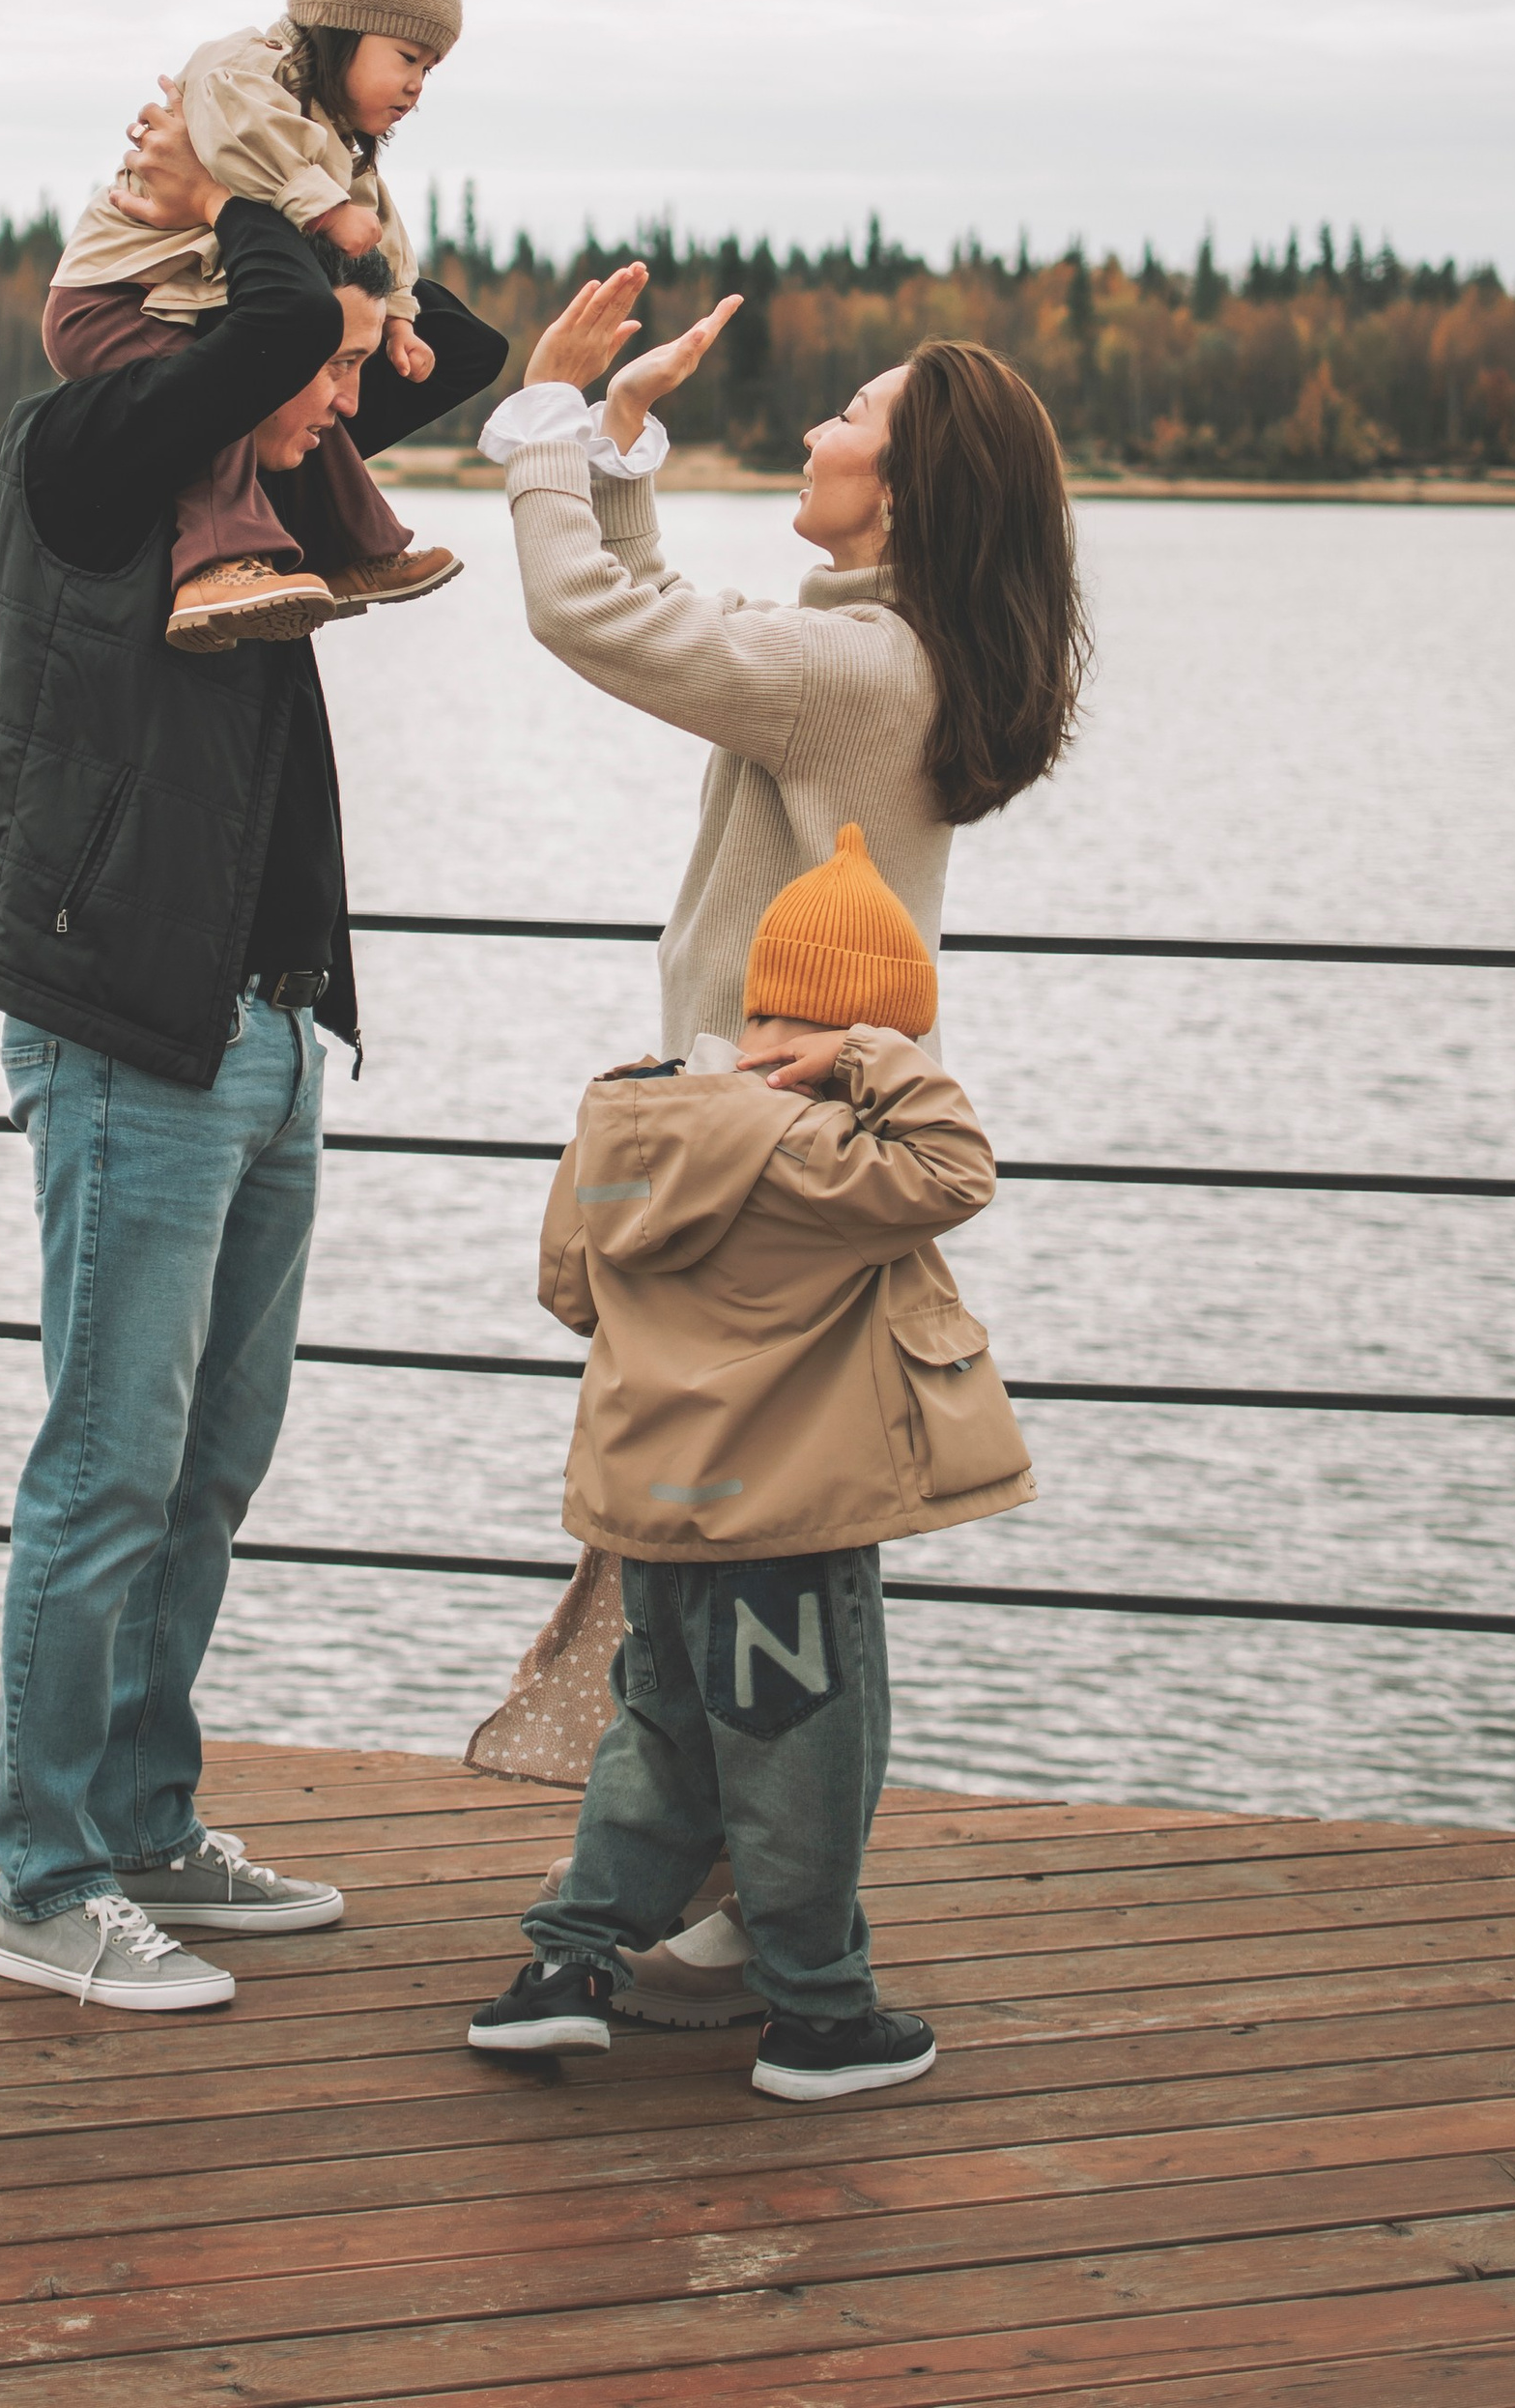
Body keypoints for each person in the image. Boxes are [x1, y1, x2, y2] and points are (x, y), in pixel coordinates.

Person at [0, 133, 507, 2014]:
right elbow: (273, 315)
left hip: (264, 1033)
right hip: (132, 1032)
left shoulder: (252, 492)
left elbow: (456, 348)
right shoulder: (87, 459)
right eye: (327, 372)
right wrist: (241, 194)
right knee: (107, 1469)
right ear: (225, 346)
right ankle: (40, 1890)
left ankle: (138, 1825)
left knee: (206, 1467)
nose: (354, 400)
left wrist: (361, 225)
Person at [466, 273, 1087, 1786]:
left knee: (747, 1540)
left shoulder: (854, 672)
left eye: (852, 415)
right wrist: (616, 447)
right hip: (800, 1150)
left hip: (759, 1164)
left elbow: (594, 618)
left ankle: (759, 1918)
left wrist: (547, 419)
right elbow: (682, 624)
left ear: (907, 489)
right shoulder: (878, 657)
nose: (819, 429)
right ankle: (704, 1891)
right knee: (755, 1531)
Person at [466, 826, 1033, 2094]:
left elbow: (570, 1289)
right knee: (807, 1759)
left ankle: (568, 1969)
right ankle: (820, 2016)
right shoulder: (829, 1155)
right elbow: (957, 1167)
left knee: (659, 1740)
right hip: (788, 1527)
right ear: (861, 1031)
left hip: (650, 1519)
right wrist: (875, 1059)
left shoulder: (627, 1114)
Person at [45, 0, 468, 651]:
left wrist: (398, 315)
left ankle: (354, 551)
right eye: (406, 56)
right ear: (340, 28)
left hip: (185, 301)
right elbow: (238, 137)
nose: (415, 86)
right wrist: (323, 207)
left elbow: (382, 232)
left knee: (299, 388)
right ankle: (214, 565)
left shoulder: (336, 138)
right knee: (218, 397)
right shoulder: (250, 68)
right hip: (114, 299)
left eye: (429, 69)